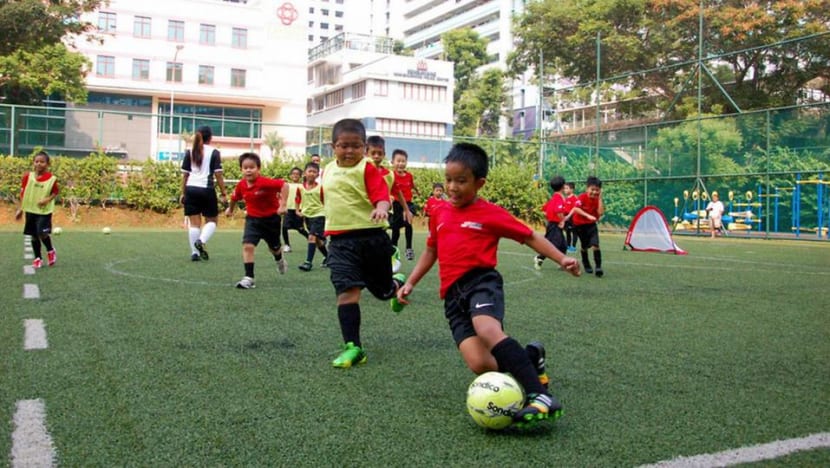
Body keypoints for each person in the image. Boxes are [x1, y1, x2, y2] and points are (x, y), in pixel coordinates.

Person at [396, 143, 580, 428]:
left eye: (461, 180)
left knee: (487, 329)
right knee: (480, 364)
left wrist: (561, 258)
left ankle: (540, 395)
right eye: (448, 180)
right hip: (452, 296)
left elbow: (528, 235)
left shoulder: (489, 213)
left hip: (481, 282)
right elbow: (431, 250)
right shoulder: (440, 214)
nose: (452, 187)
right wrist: (410, 282)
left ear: (479, 183)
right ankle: (531, 357)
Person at [322, 119, 406, 368]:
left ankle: (395, 285)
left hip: (371, 239)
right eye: (343, 146)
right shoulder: (327, 169)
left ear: (364, 147)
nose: (349, 151)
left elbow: (382, 196)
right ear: (332, 146)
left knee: (381, 292)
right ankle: (353, 347)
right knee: (347, 292)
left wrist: (381, 209)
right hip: (339, 241)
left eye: (356, 146)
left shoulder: (368, 169)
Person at [225, 152, 289, 289]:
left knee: (275, 248)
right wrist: (230, 209)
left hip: (271, 220)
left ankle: (279, 259)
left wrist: (283, 204)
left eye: (252, 167)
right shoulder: (241, 185)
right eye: (245, 167)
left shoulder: (265, 182)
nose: (248, 170)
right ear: (241, 169)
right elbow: (234, 197)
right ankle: (249, 277)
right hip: (253, 220)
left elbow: (284, 185)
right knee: (248, 246)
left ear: (258, 169)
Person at [180, 125, 227, 262]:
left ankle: (195, 253)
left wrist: (183, 193)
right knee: (212, 220)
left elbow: (184, 176)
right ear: (210, 138)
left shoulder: (189, 151)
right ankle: (201, 240)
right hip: (206, 189)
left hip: (191, 189)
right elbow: (218, 174)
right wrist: (223, 192)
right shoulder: (214, 152)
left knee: (194, 223)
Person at [366, 135, 404, 272]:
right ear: (366, 153)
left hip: (384, 211)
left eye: (380, 153)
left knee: (377, 236)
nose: (376, 156)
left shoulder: (389, 174)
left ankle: (390, 252)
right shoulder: (360, 171)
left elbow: (398, 192)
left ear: (384, 154)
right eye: (373, 153)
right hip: (365, 212)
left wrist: (406, 209)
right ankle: (389, 252)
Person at [15, 151, 59, 268]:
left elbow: (55, 192)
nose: (39, 164)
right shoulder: (27, 177)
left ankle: (50, 250)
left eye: (42, 162)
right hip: (30, 210)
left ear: (47, 164)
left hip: (44, 211)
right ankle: (37, 258)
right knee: (33, 235)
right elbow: (23, 193)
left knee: (41, 232)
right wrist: (20, 209)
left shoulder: (52, 179)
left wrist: (47, 199)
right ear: (33, 163)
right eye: (36, 161)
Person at [296, 162, 329, 271]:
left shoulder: (321, 188)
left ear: (317, 175)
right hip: (307, 216)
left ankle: (308, 262)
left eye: (314, 172)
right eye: (309, 171)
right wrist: (297, 210)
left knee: (311, 237)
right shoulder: (300, 188)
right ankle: (328, 257)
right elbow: (298, 199)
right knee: (317, 240)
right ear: (304, 173)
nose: (312, 174)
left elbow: (325, 201)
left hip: (319, 215)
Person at [571, 176, 604, 277]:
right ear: (587, 189)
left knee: (595, 245)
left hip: (591, 226)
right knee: (584, 247)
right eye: (592, 189)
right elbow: (576, 209)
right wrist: (588, 215)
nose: (594, 192)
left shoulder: (598, 199)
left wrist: (600, 198)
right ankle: (586, 263)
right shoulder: (582, 197)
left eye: (597, 190)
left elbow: (600, 212)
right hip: (580, 226)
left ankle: (598, 267)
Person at [534, 175, 569, 270]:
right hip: (554, 225)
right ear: (563, 186)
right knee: (554, 244)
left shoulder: (555, 196)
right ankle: (539, 258)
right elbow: (558, 211)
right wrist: (562, 221)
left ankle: (563, 263)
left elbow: (545, 209)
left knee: (563, 245)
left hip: (553, 224)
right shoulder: (559, 197)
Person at [390, 148, 419, 260]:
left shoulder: (409, 176)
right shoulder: (391, 175)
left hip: (408, 204)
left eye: (403, 161)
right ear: (392, 162)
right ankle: (393, 250)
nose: (401, 164)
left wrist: (417, 191)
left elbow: (412, 185)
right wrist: (389, 196)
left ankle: (409, 248)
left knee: (408, 223)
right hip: (397, 205)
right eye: (398, 161)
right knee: (395, 230)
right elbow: (386, 188)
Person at [282, 166, 309, 252]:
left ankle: (312, 240)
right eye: (293, 174)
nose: (295, 175)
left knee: (300, 229)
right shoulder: (286, 185)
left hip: (299, 210)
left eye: (297, 174)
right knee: (284, 227)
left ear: (300, 176)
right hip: (288, 209)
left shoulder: (303, 186)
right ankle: (287, 245)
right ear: (290, 175)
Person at [563, 181, 578, 252]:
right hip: (566, 218)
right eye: (564, 188)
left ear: (572, 189)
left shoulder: (574, 198)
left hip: (573, 219)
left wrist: (569, 216)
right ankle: (568, 245)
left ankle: (573, 247)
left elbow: (575, 209)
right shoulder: (565, 198)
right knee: (567, 232)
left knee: (574, 232)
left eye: (566, 188)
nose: (565, 190)